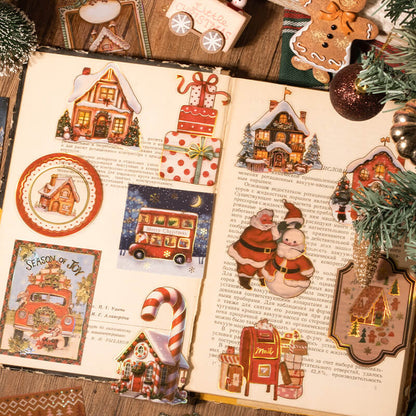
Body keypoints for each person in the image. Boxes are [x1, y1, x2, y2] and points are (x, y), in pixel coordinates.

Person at [228, 209, 279, 290]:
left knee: (264, 269)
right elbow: (262, 236)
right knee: (247, 269)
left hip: (265, 258)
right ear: (258, 220)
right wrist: (273, 232)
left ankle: (263, 281)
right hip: (249, 256)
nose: (268, 223)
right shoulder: (251, 230)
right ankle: (244, 281)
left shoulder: (271, 231)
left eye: (270, 220)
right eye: (264, 220)